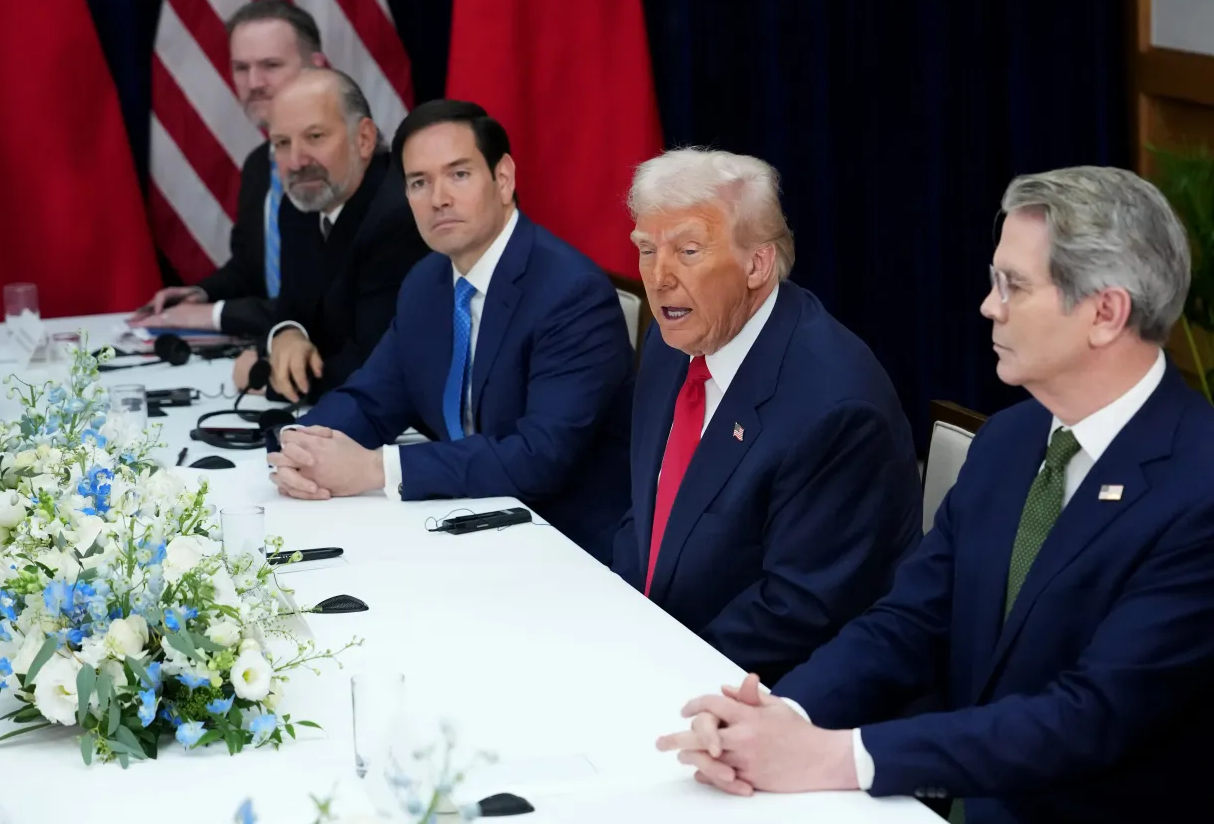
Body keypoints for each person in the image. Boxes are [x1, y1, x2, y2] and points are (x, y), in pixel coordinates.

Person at [656, 166, 1214, 824]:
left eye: (1014, 285)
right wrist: (785, 714)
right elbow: (911, 618)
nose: (988, 305)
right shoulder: (1009, 441)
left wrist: (838, 755)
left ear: (1105, 312)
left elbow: (1088, 717)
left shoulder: (1197, 488)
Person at [266, 100, 634, 561]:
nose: (438, 197)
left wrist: (376, 468)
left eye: (458, 175)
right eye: (419, 182)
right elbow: (372, 397)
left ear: (503, 179)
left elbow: (540, 457)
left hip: (562, 542)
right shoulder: (426, 282)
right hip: (462, 523)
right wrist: (302, 446)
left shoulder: (570, 292)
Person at [610, 149, 920, 685]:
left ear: (757, 264)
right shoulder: (674, 343)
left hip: (768, 694)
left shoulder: (835, 408)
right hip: (654, 643)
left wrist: (654, 667)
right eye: (645, 249)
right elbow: (646, 510)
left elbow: (797, 610)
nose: (658, 278)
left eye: (687, 250)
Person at [130, 0, 326, 354]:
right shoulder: (257, 165)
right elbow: (251, 267)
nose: (254, 82)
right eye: (241, 68)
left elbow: (319, 304)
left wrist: (214, 314)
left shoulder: (338, 168)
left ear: (316, 68)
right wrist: (202, 294)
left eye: (270, 65)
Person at [259, 69, 426, 402]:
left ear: (363, 139)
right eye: (281, 143)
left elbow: (375, 369)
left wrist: (263, 375)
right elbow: (294, 304)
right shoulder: (300, 205)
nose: (296, 161)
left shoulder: (399, 213)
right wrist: (288, 334)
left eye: (315, 137)